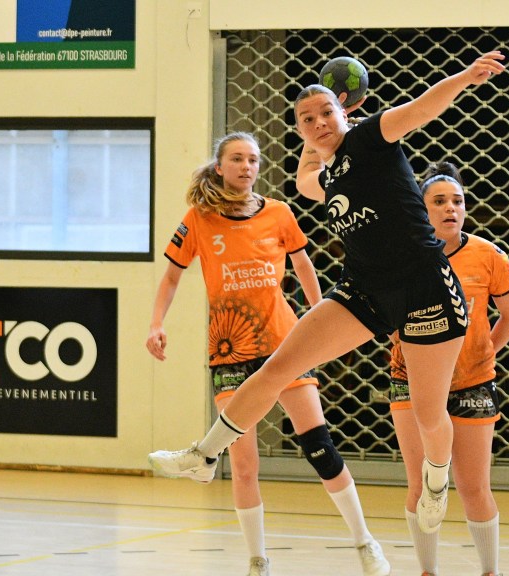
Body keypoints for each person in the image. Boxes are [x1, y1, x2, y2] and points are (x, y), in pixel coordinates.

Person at [149, 50, 508, 538]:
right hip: (364, 288)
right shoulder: (330, 174)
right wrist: (314, 142)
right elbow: (304, 183)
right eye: (306, 119)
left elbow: (424, 107)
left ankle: (437, 480)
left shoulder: (372, 136)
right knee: (278, 368)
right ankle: (205, 454)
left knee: (428, 413)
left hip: (424, 288)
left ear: (347, 112)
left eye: (326, 113)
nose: (318, 122)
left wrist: (465, 76)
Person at [146, 132, 390, 576]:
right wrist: (156, 324)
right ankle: (257, 561)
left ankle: (365, 542)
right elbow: (172, 276)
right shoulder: (199, 218)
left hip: (284, 342)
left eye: (253, 160)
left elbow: (303, 265)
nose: (246, 166)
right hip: (231, 346)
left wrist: (321, 318)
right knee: (244, 464)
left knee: (319, 447)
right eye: (237, 159)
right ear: (219, 167)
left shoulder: (278, 212)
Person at [389, 161, 509, 576]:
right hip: (411, 380)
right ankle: (427, 570)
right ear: (420, 208)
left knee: (473, 486)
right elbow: (382, 317)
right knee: (420, 484)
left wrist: (484, 351)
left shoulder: (488, 255)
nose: (451, 208)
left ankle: (490, 570)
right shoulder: (400, 256)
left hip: (472, 383)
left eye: (458, 201)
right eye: (439, 201)